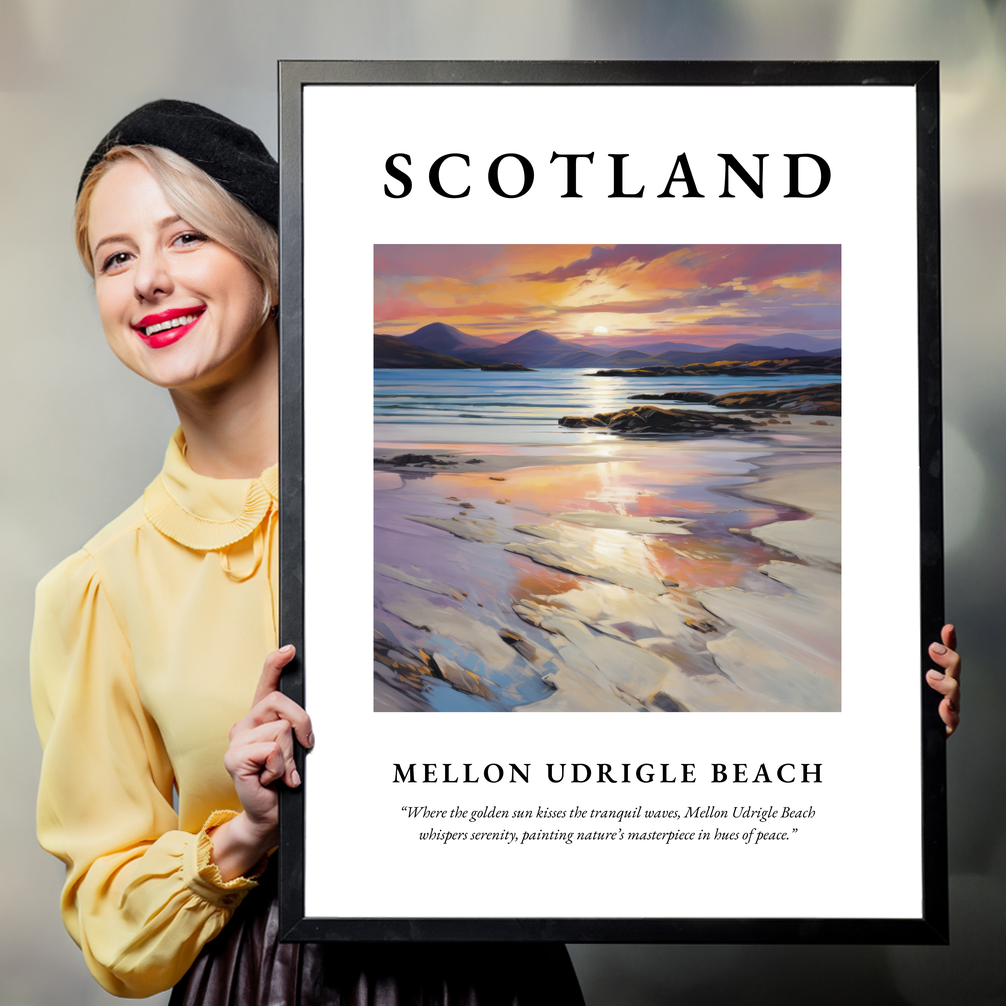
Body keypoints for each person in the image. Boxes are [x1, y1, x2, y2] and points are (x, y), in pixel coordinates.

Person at [30, 100, 585, 1004]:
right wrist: (245, 832)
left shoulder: (451, 497)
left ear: (273, 264)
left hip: (494, 972)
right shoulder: (97, 587)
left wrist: (890, 709)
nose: (148, 281)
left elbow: (614, 709)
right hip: (264, 981)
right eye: (116, 257)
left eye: (186, 239)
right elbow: (110, 924)